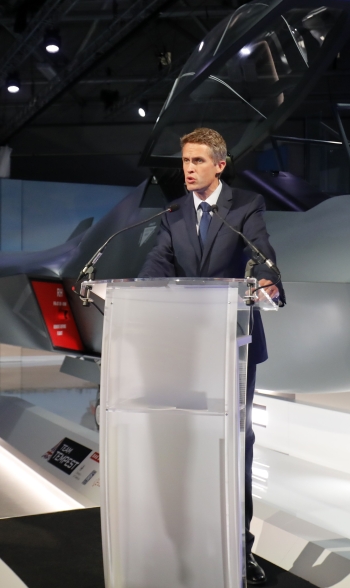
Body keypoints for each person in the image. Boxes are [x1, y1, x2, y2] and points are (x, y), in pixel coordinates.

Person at [138, 127, 285, 585]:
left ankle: (241, 549)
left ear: (219, 165)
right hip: (187, 344)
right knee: (190, 441)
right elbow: (159, 261)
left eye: (197, 161)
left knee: (237, 443)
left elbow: (262, 254)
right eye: (184, 161)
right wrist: (139, 292)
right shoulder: (174, 212)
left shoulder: (245, 207)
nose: (187, 169)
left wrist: (267, 278)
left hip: (235, 344)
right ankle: (188, 537)